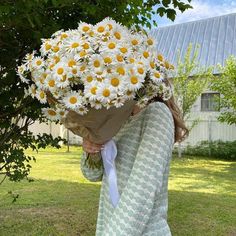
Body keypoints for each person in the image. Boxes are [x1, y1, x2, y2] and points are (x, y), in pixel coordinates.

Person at [80, 94, 188, 236]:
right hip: (109, 224)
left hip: (142, 230)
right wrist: (92, 149)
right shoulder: (118, 118)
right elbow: (92, 174)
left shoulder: (157, 114)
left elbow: (141, 193)